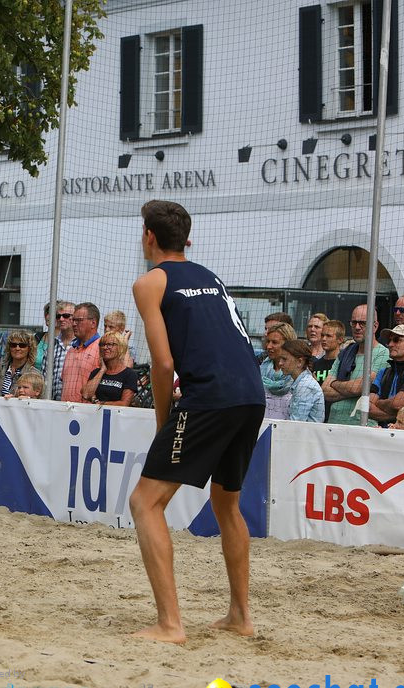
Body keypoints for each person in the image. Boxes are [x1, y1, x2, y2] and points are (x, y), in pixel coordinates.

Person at [129, 200, 265, 644]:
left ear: (149, 236)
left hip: (209, 396)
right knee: (227, 505)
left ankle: (170, 624)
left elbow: (163, 364)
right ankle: (240, 617)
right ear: (185, 238)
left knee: (145, 503)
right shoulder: (211, 277)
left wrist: (165, 422)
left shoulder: (150, 282)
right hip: (250, 392)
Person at [322, 304, 390, 427]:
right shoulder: (345, 352)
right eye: (354, 323)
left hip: (362, 425)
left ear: (375, 326)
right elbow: (325, 390)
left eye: (362, 323)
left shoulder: (383, 353)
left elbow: (360, 387)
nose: (357, 327)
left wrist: (334, 383)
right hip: (333, 424)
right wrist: (354, 391)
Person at [60, 303, 103, 403]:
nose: (74, 324)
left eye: (79, 320)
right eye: (73, 320)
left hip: (88, 413)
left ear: (93, 323)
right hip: (66, 412)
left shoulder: (102, 348)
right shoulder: (71, 350)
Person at [83, 331, 139, 406]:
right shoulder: (96, 372)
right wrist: (102, 370)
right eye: (103, 344)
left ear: (120, 347)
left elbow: (124, 403)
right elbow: (86, 394)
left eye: (110, 344)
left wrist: (101, 403)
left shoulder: (129, 374)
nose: (105, 347)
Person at [38, 300, 80, 400]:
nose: (61, 319)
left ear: (75, 318)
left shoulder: (82, 344)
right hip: (52, 404)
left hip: (76, 406)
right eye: (58, 316)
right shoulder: (52, 345)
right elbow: (44, 378)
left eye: (66, 316)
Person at [278, 339, 324, 422]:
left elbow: (296, 423)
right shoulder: (302, 382)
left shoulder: (305, 386)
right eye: (280, 359)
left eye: (284, 359)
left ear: (300, 362)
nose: (280, 363)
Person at [260, 322, 297, 419]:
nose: (268, 346)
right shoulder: (261, 368)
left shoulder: (298, 374)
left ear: (287, 344)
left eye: (274, 342)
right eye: (268, 341)